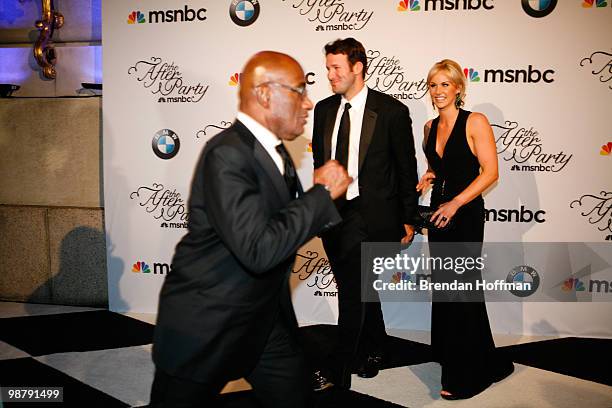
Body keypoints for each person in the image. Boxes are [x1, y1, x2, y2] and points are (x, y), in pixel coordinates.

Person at [149, 51, 352, 408]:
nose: (308, 102)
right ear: (264, 94)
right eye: (299, 90)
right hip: (210, 320)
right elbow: (258, 249)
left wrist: (317, 201)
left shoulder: (273, 150)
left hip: (263, 317)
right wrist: (321, 196)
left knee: (295, 397)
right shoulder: (226, 154)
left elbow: (276, 225)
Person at [311, 38, 418, 390]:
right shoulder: (325, 110)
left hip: (371, 217)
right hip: (333, 218)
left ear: (357, 67)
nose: (330, 74)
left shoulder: (390, 111)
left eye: (336, 67)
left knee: (353, 293)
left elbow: (406, 168)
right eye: (327, 67)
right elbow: (320, 165)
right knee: (358, 289)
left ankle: (336, 370)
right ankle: (375, 348)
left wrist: (409, 218)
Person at [416, 59, 514, 400]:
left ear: (458, 87)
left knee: (462, 288)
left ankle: (469, 375)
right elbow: (439, 165)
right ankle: (472, 357)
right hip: (438, 216)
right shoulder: (428, 127)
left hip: (466, 214)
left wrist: (456, 202)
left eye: (445, 84)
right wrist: (428, 176)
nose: (439, 91)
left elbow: (490, 172)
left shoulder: (475, 122)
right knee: (446, 288)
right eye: (433, 85)